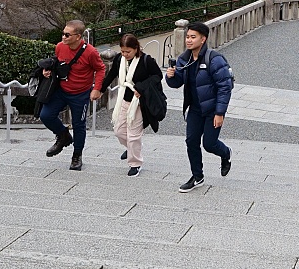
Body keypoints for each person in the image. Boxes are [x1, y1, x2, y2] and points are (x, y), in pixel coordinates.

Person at [165, 21, 234, 193]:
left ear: (203, 39)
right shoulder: (184, 59)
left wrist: (220, 112)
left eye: (192, 37)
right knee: (191, 141)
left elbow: (225, 87)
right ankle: (197, 176)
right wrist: (171, 76)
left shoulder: (215, 59)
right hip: (194, 109)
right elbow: (177, 83)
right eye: (187, 37)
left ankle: (226, 153)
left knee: (209, 144)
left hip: (212, 110)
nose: (188, 40)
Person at [39, 19, 106, 171]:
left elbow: (101, 69)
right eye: (62, 33)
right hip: (61, 90)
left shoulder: (90, 52)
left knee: (78, 125)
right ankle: (63, 135)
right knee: (46, 115)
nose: (63, 37)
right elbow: (58, 62)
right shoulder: (60, 47)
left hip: (81, 94)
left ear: (78, 36)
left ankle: (77, 155)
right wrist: (47, 70)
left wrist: (97, 88)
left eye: (67, 35)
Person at [107, 33, 163, 177]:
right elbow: (112, 74)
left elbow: (157, 76)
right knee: (119, 131)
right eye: (122, 51)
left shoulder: (146, 60)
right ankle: (133, 148)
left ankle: (135, 163)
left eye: (128, 52)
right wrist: (98, 89)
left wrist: (141, 87)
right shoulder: (119, 59)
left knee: (133, 135)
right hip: (124, 99)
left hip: (139, 102)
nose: (125, 54)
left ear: (136, 48)